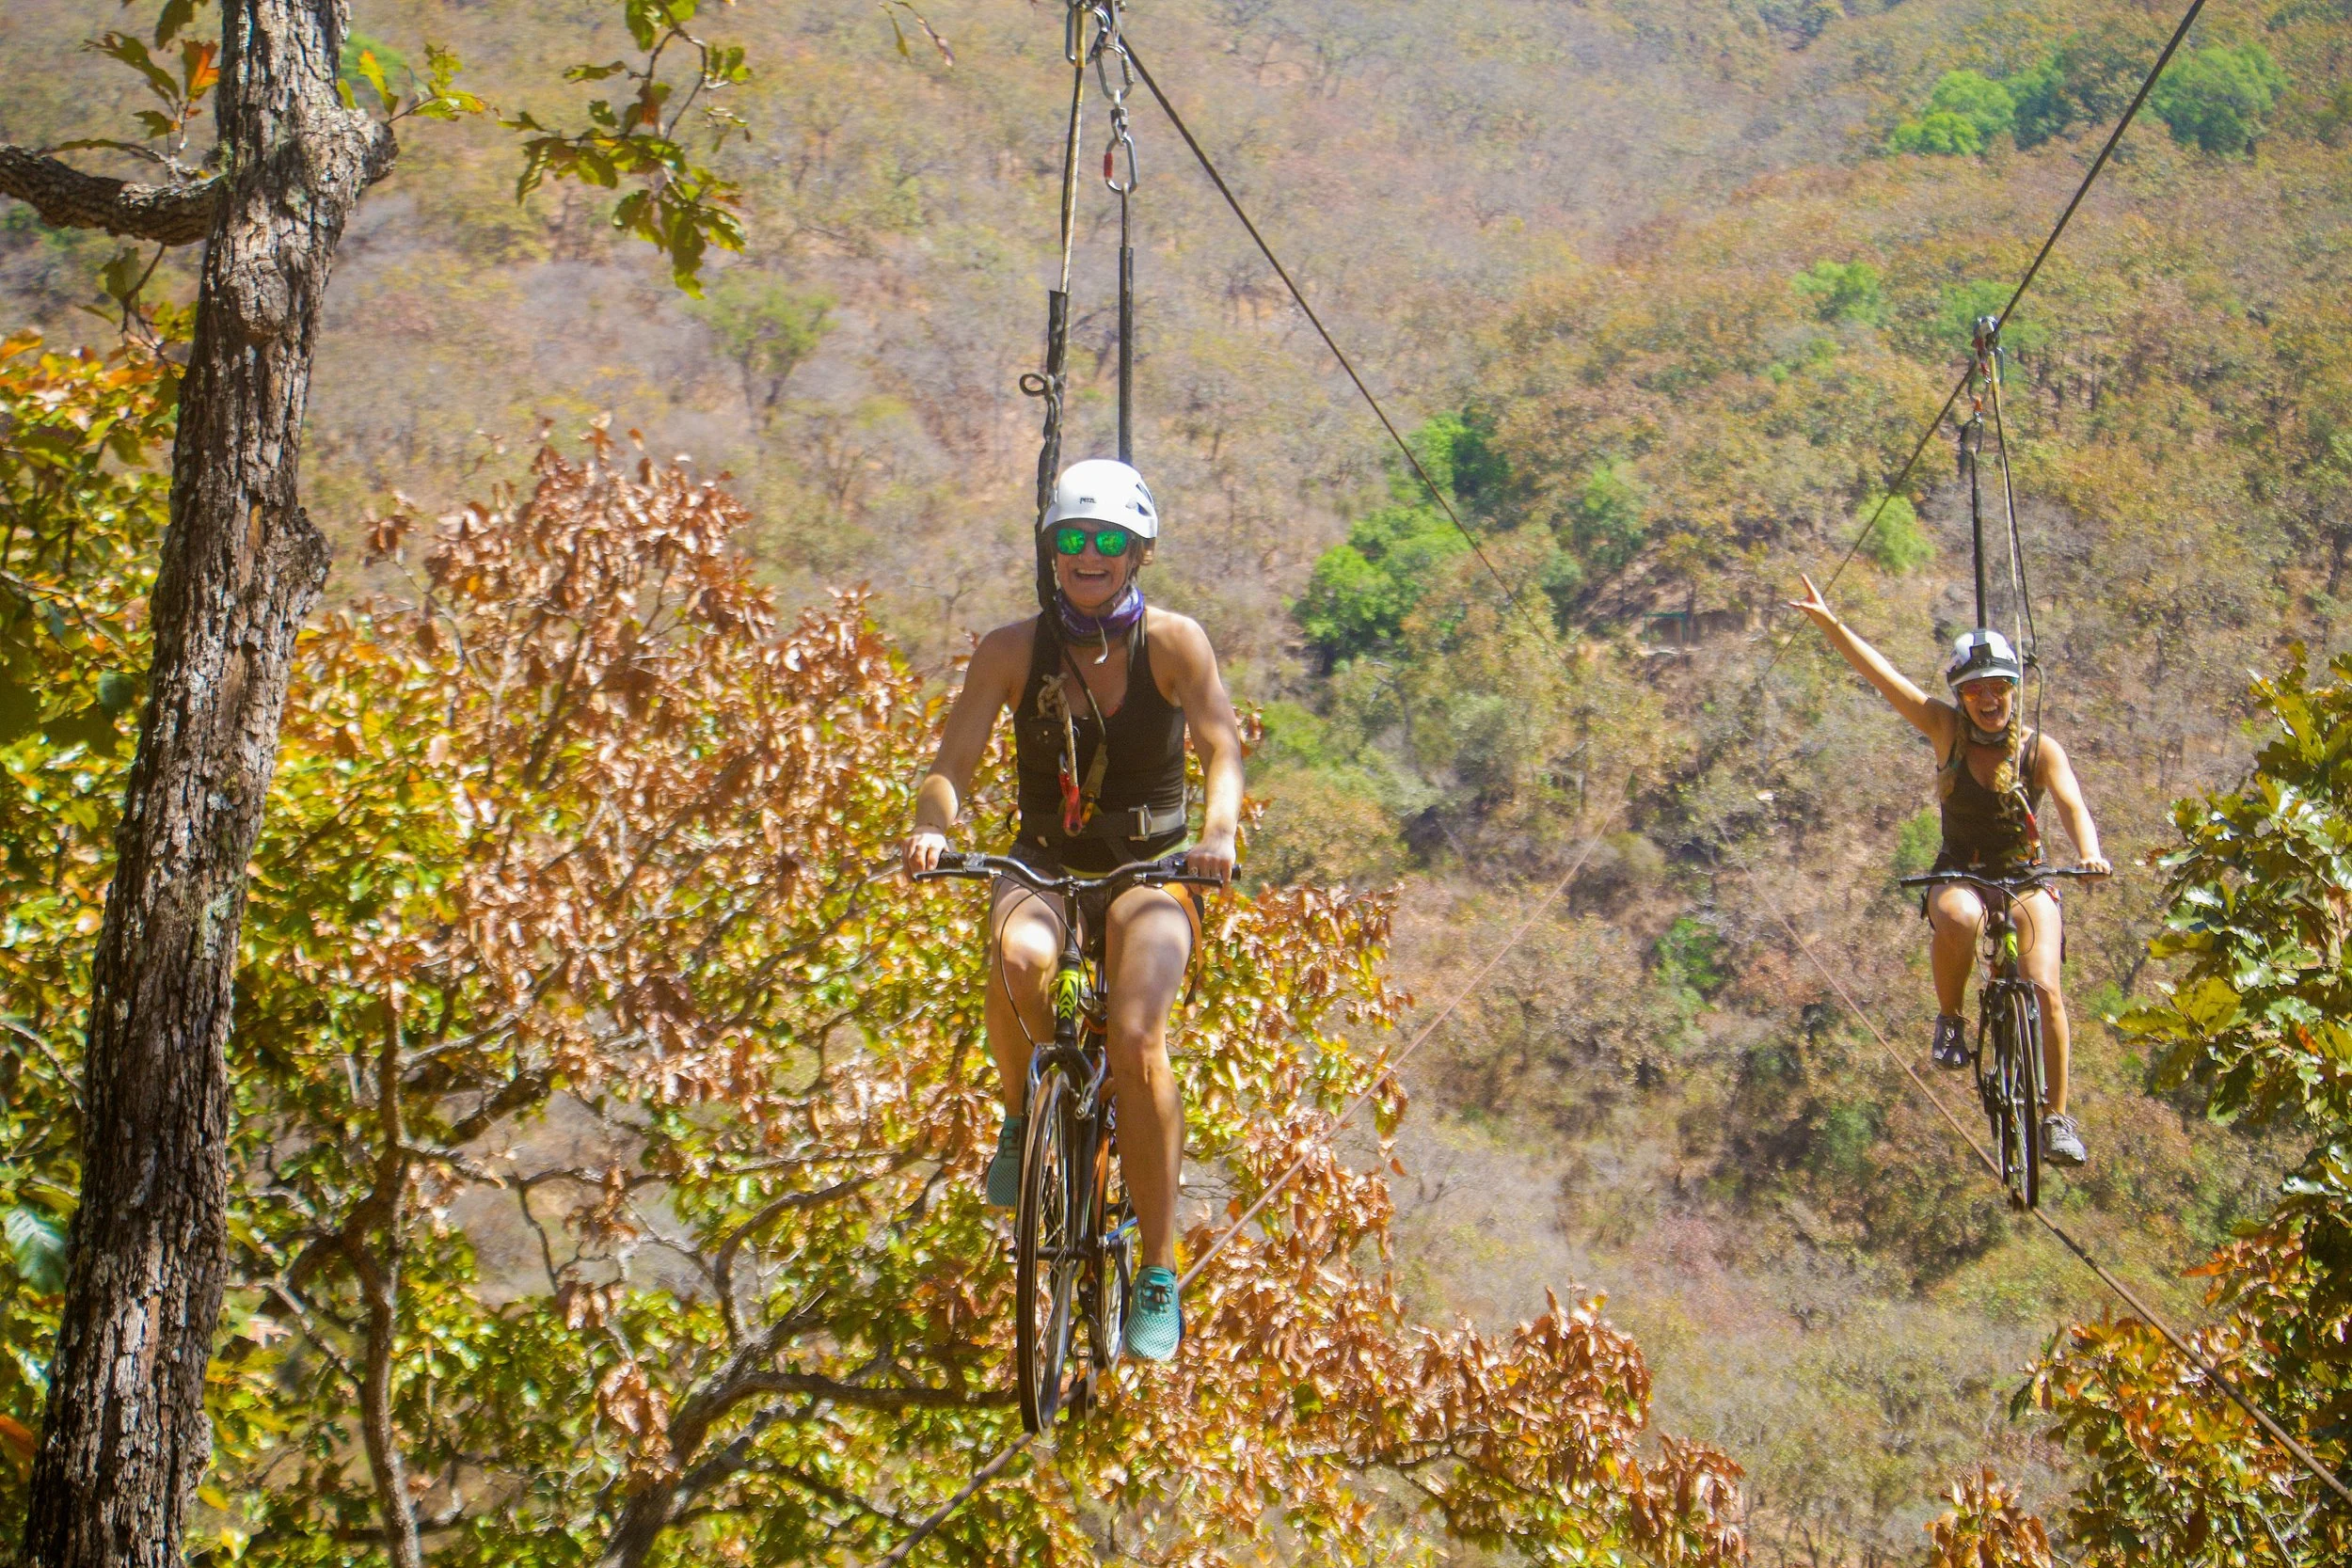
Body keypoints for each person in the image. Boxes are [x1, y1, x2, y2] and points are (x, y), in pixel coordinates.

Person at [903, 458, 1243, 1362]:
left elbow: (1222, 748)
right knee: (1018, 960)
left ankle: (1159, 1270)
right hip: (1047, 859)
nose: (1088, 556)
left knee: (1136, 1035)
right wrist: (931, 827)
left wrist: (1219, 832)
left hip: (1155, 867)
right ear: (1050, 551)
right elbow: (954, 762)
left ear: (1139, 553)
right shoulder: (1012, 650)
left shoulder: (1175, 643)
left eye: (1107, 542)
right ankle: (1024, 1115)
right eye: (1072, 540)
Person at [1789, 575, 2110, 1165]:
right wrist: (1830, 624)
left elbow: (2072, 804)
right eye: (1974, 691)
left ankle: (2057, 1119)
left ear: (2014, 689)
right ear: (1960, 698)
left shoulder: (2040, 749)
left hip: (2026, 876)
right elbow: (1886, 680)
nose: (1988, 700)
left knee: (2044, 990)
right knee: (1958, 918)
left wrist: (2089, 853)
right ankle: (1950, 1020)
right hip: (1960, 871)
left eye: (1998, 688)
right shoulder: (1945, 731)